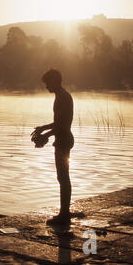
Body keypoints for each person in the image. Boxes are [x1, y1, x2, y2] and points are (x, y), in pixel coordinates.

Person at [32, 68, 74, 225]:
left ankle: (64, 214)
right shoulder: (61, 96)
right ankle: (64, 212)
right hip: (62, 139)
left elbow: (62, 125)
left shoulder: (63, 97)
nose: (46, 87)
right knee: (62, 177)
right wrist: (43, 128)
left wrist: (45, 135)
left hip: (64, 139)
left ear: (55, 81)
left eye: (47, 83)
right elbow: (58, 123)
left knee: (63, 177)